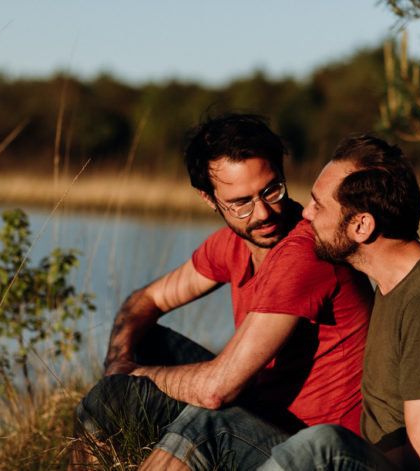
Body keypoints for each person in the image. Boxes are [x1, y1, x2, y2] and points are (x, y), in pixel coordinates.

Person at [70, 114, 373, 470]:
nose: (262, 212)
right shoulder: (231, 244)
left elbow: (217, 389)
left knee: (206, 422)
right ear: (209, 199)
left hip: (316, 453)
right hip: (264, 414)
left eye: (272, 190)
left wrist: (135, 375)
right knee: (116, 387)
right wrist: (117, 364)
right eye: (240, 203)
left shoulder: (305, 252)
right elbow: (145, 300)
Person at [258, 135, 420, 471]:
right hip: (375, 459)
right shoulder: (391, 285)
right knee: (216, 422)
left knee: (321, 445)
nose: (306, 213)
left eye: (319, 204)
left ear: (361, 225)